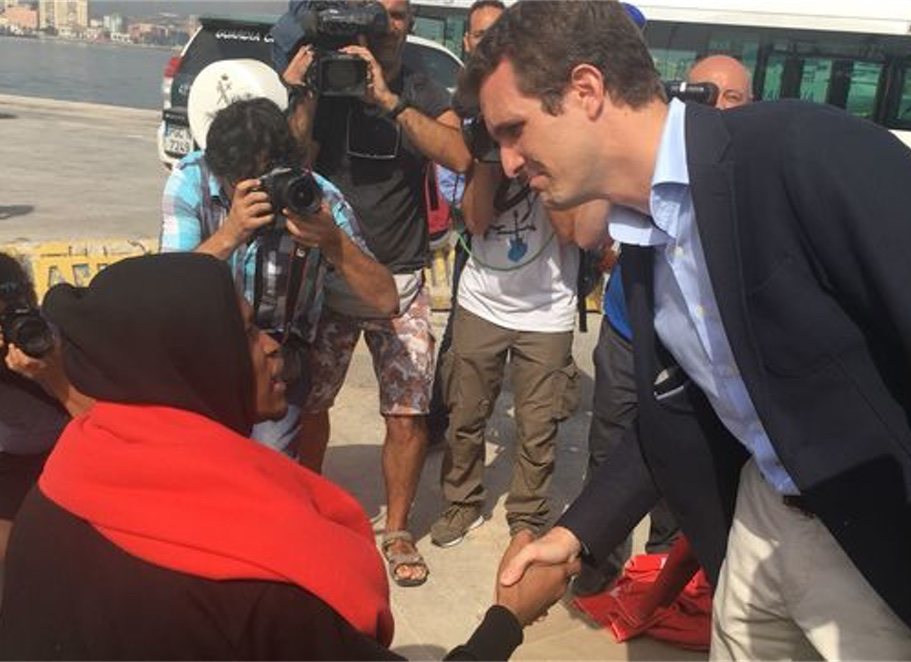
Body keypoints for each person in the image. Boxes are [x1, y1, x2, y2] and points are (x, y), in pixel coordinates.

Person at [459, 2, 911, 659]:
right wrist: (574, 536)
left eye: (515, 130)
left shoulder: (809, 155)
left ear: (587, 90)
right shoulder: (644, 231)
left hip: (882, 549)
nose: (508, 163)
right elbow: (676, 412)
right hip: (759, 527)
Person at [0, 252, 546, 660]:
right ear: (188, 362)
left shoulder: (58, 490)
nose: (269, 344)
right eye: (242, 331)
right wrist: (508, 617)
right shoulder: (260, 588)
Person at [278, 0, 472, 587]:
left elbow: (459, 154)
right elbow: (290, 159)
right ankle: (310, 508)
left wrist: (388, 101)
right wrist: (303, 94)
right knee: (311, 404)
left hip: (404, 275)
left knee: (408, 414)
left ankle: (397, 529)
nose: (394, 23)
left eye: (402, 13)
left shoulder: (417, 81)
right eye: (383, 13)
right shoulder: (327, 77)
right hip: (330, 275)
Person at [574, 52, 754, 597]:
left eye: (732, 99)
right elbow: (585, 234)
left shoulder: (753, 179)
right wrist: (612, 163)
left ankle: (662, 573)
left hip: (696, 349)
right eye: (703, 95)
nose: (717, 108)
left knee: (684, 462)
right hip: (631, 336)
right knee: (611, 449)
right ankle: (599, 561)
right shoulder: (649, 164)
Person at [160, 97, 396, 459]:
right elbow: (167, 291)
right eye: (242, 180)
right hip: (207, 350)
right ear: (219, 170)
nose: (258, 190)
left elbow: (385, 300)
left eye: (267, 176)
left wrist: (334, 242)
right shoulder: (192, 179)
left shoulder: (315, 197)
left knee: (268, 464)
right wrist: (230, 233)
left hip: (278, 356)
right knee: (199, 460)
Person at [429, 151, 581, 548]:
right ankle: (462, 501)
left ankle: (527, 517)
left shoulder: (561, 149)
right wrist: (487, 160)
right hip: (482, 303)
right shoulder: (486, 151)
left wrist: (543, 162)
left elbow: (571, 232)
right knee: (465, 412)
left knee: (538, 426)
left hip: (548, 311)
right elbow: (476, 223)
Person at [428, 0, 506, 449]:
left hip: (526, 247)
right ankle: (440, 422)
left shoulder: (529, 95)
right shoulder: (457, 104)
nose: (487, 44)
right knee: (458, 339)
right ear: (466, 41)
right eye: (480, 35)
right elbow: (449, 180)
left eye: (497, 34)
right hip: (474, 240)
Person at [0, 253, 92, 563]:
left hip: (68, 454)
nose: (13, 323)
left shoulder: (58, 336)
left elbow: (106, 425)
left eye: (19, 304)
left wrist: (54, 373)